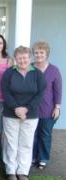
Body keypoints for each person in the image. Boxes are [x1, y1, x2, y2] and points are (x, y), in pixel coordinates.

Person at [1, 46, 46, 180]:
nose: (22, 60)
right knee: (11, 143)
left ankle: (23, 171)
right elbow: (5, 92)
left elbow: (40, 94)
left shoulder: (37, 74)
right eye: (19, 58)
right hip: (11, 113)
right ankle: (10, 170)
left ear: (30, 58)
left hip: (30, 115)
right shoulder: (9, 73)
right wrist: (16, 108)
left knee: (26, 143)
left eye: (25, 57)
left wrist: (26, 109)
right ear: (15, 59)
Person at [32, 41, 62, 169]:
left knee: (45, 133)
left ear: (47, 54)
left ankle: (43, 157)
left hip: (48, 108)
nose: (39, 55)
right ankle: (32, 156)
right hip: (32, 108)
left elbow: (58, 90)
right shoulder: (30, 67)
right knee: (32, 133)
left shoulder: (54, 70)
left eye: (41, 52)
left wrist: (57, 107)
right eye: (36, 52)